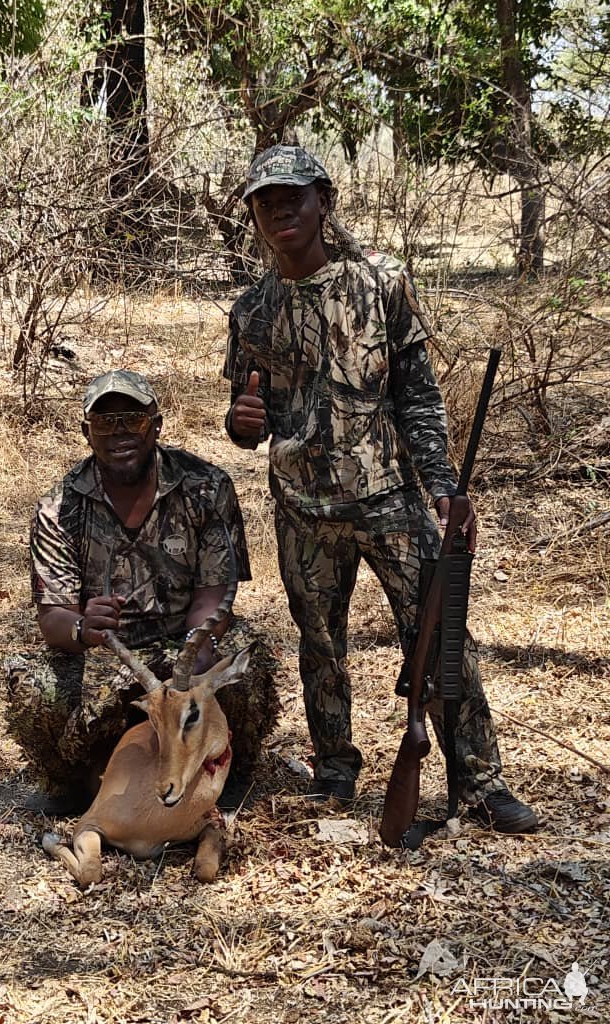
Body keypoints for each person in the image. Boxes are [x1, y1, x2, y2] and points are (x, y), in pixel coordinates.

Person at [223, 144, 538, 832]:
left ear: (324, 201)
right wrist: (241, 424)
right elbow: (250, 417)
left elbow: (418, 397)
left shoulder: (381, 283)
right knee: (320, 647)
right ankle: (335, 773)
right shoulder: (251, 311)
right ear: (252, 215)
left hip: (390, 496)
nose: (279, 209)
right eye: (264, 201)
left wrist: (444, 489)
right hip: (303, 509)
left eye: (293, 196)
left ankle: (479, 781)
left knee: (441, 630)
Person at [6, 369, 278, 814]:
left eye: (132, 419)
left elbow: (216, 592)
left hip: (183, 642)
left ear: (156, 424)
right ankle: (72, 783)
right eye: (104, 423)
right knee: (36, 689)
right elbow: (54, 619)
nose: (119, 433)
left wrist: (198, 644)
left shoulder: (207, 488)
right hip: (107, 654)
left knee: (249, 665)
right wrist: (83, 626)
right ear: (86, 433)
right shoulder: (59, 508)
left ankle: (228, 773)